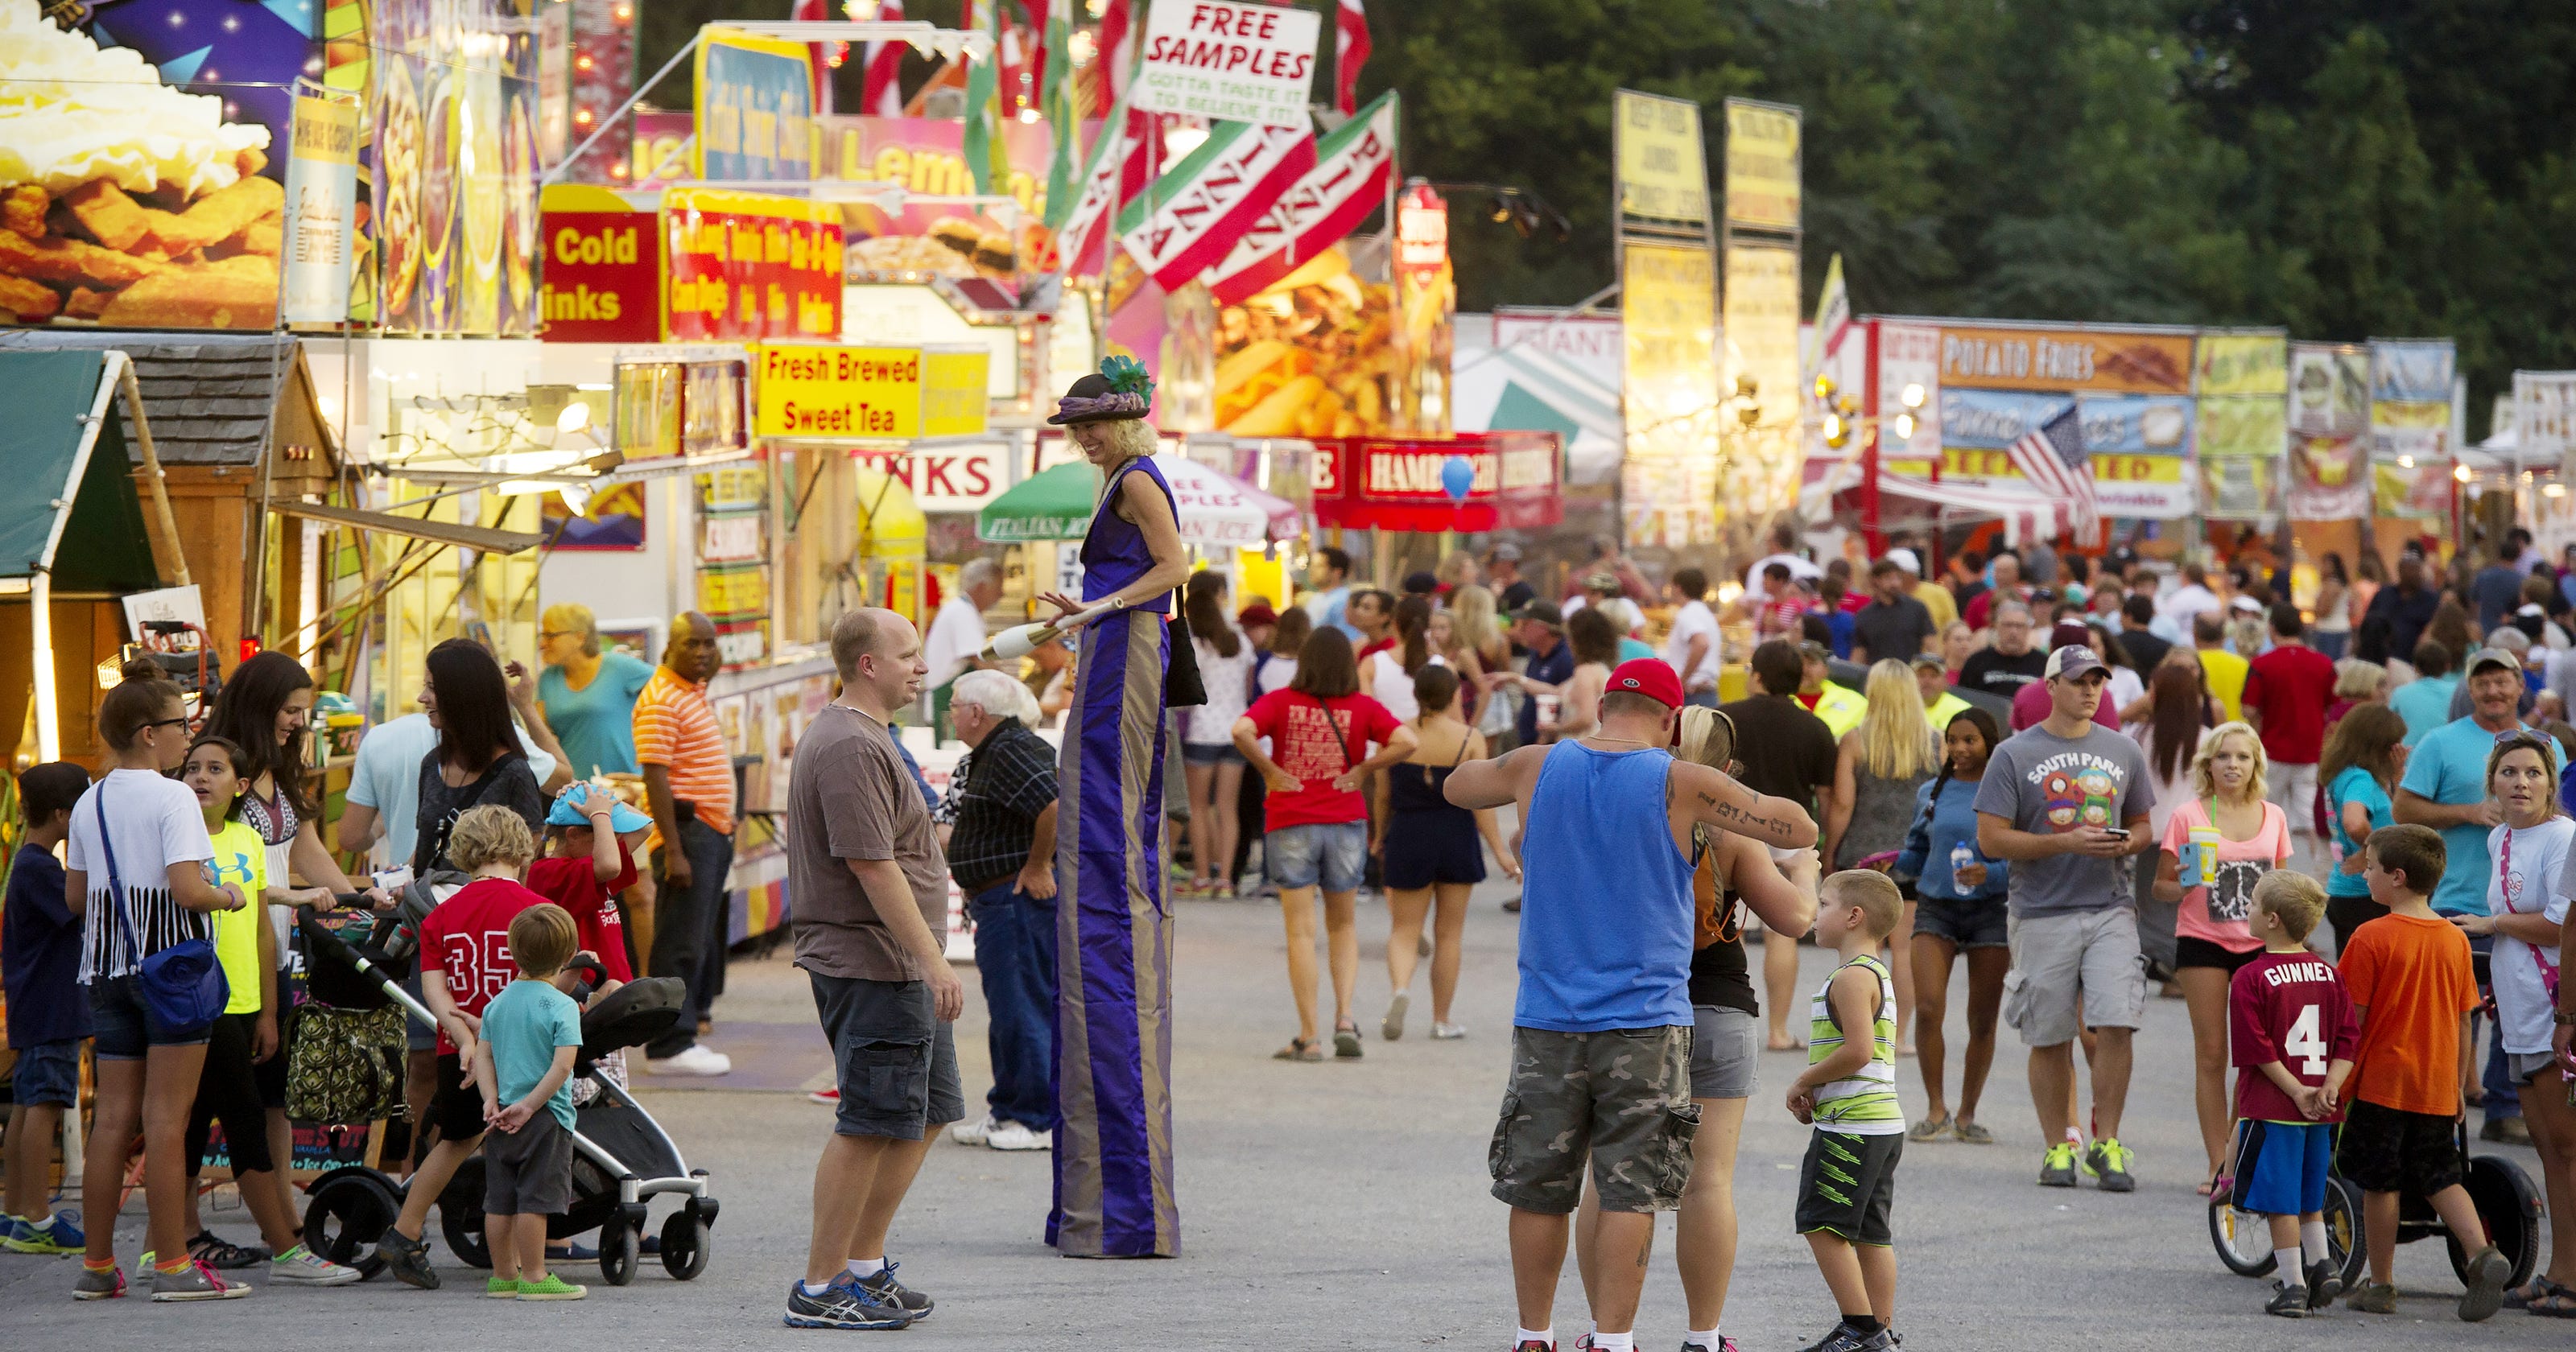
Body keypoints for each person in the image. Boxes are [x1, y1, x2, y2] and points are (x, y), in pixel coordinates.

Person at [1446, 658, 1817, 1352]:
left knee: (1539, 1186)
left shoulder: (1538, 765)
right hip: (1646, 1020)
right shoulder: (1680, 781)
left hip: (1548, 1014)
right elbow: (1797, 830)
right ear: (1672, 719)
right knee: (1629, 1191)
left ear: (1603, 706)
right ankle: (1613, 1341)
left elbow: (1458, 785)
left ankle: (1534, 1335)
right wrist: (1723, 784)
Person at [1578, 704, 1816, 1352]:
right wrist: (1808, 873)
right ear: (1728, 767)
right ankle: (1703, 1336)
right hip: (1718, 1004)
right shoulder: (1731, 829)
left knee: (1609, 1175)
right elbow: (1795, 919)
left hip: (1627, 1008)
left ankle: (1605, 1331)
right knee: (1708, 1179)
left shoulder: (1625, 813)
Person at [779, 608, 958, 1327]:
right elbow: (872, 866)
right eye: (908, 654)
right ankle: (820, 1287)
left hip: (898, 965)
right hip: (872, 962)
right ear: (868, 666)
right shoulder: (850, 745)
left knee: (926, 1112)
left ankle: (862, 1264)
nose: (921, 666)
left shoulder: (871, 737)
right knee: (870, 1120)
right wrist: (932, 959)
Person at [67, 677, 250, 1301]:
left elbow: (75, 897)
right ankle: (173, 1264)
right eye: (181, 727)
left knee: (112, 1120)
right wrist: (231, 894)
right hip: (170, 971)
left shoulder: (89, 801)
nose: (186, 737)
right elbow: (188, 889)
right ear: (150, 734)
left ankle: (97, 1267)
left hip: (108, 971)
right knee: (168, 1120)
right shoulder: (174, 799)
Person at [170, 737, 362, 1283]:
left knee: (213, 1119)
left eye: (215, 769)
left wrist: (268, 1012)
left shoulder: (248, 839)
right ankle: (283, 1248)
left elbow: (259, 931)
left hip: (244, 1001)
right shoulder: (175, 839)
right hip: (192, 997)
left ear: (240, 783)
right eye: (192, 768)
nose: (201, 778)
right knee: (236, 1119)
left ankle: (174, 1244)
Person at [1974, 643, 2157, 1192]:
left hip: (2110, 906)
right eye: (2078, 680)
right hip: (2040, 910)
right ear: (2049, 686)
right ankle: (2059, 1146)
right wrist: (2064, 843)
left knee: (2117, 1022)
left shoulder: (2123, 749)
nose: (2089, 690)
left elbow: (2146, 824)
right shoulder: (2013, 753)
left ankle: (2109, 1141)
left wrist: (2126, 845)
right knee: (2048, 1033)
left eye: (2097, 680)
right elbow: (1990, 839)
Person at [2336, 824, 2516, 1320]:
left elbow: (2355, 1019)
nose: (2366, 874)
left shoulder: (2369, 937)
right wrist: (2459, 1085)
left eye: (2370, 867)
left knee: (2382, 1182)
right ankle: (2481, 1252)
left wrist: (2335, 1077)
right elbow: (2464, 1020)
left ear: (2395, 876)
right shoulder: (2454, 940)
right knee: (2442, 1177)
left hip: (2383, 1084)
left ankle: (2382, 1283)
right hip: (2438, 1085)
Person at [371, 804, 553, 1289]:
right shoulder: (537, 910)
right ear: (524, 848)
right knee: (514, 1145)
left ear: (463, 852)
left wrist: (468, 1038)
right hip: (522, 1048)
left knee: (459, 1139)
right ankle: (513, 1263)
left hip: (458, 1048)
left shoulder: (442, 914)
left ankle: (410, 1231)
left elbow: (434, 991)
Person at [2396, 645, 2567, 1142]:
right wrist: (2469, 812)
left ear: (2520, 686)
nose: (2493, 691)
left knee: (2517, 1000)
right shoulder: (2440, 742)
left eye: (2503, 681)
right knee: (2454, 1012)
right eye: (2483, 682)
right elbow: (2404, 806)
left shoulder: (2547, 747)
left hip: (2521, 911)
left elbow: (2557, 814)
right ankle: (2442, 1108)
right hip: (2456, 896)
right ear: (2469, 689)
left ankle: (2503, 1107)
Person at [1234, 628, 1418, 1060]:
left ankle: (1309, 1035)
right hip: (1345, 821)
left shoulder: (1280, 702)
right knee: (1344, 926)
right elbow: (1407, 741)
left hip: (1291, 819)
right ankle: (1346, 1017)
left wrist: (1270, 771)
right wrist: (1365, 769)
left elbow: (1242, 730)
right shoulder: (1363, 707)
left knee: (1301, 931)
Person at [2454, 732, 2576, 1313]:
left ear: (2552, 782)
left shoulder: (2564, 836)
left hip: (2558, 1014)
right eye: (2510, 773)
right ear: (2493, 783)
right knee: (2550, 1151)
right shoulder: (2500, 835)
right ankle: (2559, 1271)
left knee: (2569, 1147)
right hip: (2520, 1016)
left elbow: (2561, 926)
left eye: (2533, 772)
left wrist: (2493, 923)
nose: (2521, 783)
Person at [2150, 722, 2293, 1187]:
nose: (2233, 765)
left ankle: (2238, 1156)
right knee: (2212, 1054)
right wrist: (2186, 883)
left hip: (2259, 946)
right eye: (2224, 756)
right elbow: (2160, 887)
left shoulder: (2273, 816)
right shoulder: (2188, 815)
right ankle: (2218, 1166)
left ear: (2256, 765)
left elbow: (2284, 888)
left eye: (2242, 757)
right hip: (2202, 941)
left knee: (2255, 1058)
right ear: (2208, 764)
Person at [2224, 872, 2359, 1318]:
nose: (2247, 907)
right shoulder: (2329, 974)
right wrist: (2329, 1087)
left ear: (2274, 919)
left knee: (2278, 1200)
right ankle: (2322, 1264)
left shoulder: (2249, 977)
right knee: (2308, 1195)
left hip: (2275, 1106)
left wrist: (2298, 1090)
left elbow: (2256, 1048)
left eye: (2254, 902)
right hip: (2321, 1108)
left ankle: (2293, 1286)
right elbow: (2347, 1040)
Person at [938, 669, 1059, 1152]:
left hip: (1014, 900)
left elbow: (1053, 804)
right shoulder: (998, 750)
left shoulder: (1009, 748)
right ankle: (1010, 1109)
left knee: (1021, 1008)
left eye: (954, 706)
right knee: (1010, 1011)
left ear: (976, 712)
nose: (951, 714)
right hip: (998, 899)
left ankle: (1034, 1118)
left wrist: (1037, 866)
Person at [1787, 871, 1909, 1352]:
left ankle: (1861, 1328)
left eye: (1823, 905)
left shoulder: (1852, 978)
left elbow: (1858, 1049)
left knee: (1821, 1223)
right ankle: (1880, 1330)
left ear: (1854, 916)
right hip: (1881, 1124)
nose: (1816, 916)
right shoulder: (1876, 973)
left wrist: (1804, 1079)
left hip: (1853, 1127)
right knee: (1871, 1232)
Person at [1376, 665, 1515, 1042]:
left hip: (1408, 833)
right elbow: (1481, 804)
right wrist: (1500, 851)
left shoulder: (1396, 735)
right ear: (1455, 695)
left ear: (1417, 695)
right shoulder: (1470, 738)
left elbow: (1383, 795)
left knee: (1404, 929)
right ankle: (1441, 1019)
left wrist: (1378, 837)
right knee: (1449, 935)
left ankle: (1400, 989)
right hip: (1455, 836)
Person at [1893, 708, 2009, 1144]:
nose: (1959, 749)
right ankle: (1935, 1108)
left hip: (1991, 911)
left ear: (1989, 743)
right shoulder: (1932, 791)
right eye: (1953, 741)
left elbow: (2023, 860)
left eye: (1970, 740)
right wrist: (1892, 864)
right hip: (1935, 907)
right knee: (1928, 1007)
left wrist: (1991, 875)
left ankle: (1967, 1113)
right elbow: (1917, 850)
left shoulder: (2005, 791)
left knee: (1982, 1020)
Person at [465, 901, 590, 1301]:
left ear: (512, 951)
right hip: (543, 1117)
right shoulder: (563, 1006)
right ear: (569, 957)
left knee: (499, 1200)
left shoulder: (497, 1003)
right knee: (535, 1200)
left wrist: (490, 1098)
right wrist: (532, 1106)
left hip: (500, 1115)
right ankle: (534, 1276)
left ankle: (503, 1274)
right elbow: (562, 1066)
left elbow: (483, 1055)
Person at [1722, 641, 1840, 1051]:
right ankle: (1777, 1030)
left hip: (1730, 830)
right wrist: (1825, 844)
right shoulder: (1815, 727)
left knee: (1723, 929)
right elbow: (1827, 797)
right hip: (1789, 841)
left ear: (1757, 675)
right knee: (1782, 933)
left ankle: (1725, 1023)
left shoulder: (1728, 719)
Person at [634, 612, 737, 1076]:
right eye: (692, 644)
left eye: (710, 644)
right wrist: (674, 851)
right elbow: (654, 776)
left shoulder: (689, 692)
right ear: (667, 649)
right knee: (679, 942)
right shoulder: (661, 699)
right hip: (687, 836)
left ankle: (683, 1031)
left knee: (696, 941)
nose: (702, 652)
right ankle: (669, 1045)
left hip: (709, 832)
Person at [1825, 661, 1939, 1051]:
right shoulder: (1936, 743)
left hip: (1863, 859)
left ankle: (1855, 1031)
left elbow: (1842, 805)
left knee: (1859, 949)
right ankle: (1902, 1035)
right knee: (1904, 950)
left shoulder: (1855, 741)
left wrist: (1830, 852)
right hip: (1913, 859)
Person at [2, 761, 90, 1256]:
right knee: (46, 1106)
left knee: (27, 1105)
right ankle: (36, 1216)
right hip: (53, 1005)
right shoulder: (42, 869)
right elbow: (80, 907)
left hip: (33, 1004)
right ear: (62, 813)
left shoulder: (25, 863)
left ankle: (15, 1209)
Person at [412, 638, 550, 876]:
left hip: (485, 911)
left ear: (463, 695)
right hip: (428, 911)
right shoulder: (431, 765)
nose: (422, 698)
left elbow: (528, 866)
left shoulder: (513, 773)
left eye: (432, 688)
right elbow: (426, 849)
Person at [2244, 603, 2337, 868]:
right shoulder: (2324, 664)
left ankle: (2264, 867)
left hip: (2272, 750)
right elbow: (2333, 705)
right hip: (2311, 751)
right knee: (2310, 818)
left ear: (2272, 629)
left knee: (2264, 814)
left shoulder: (2262, 664)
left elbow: (2249, 708)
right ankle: (2316, 872)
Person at [527, 783, 646, 985]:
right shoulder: (548, 872)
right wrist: (600, 812)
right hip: (585, 992)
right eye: (606, 833)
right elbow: (610, 865)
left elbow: (644, 826)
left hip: (613, 988)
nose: (615, 839)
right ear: (572, 835)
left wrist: (590, 792)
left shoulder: (589, 864)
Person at [1181, 571, 1253, 898]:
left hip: (1201, 730)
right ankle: (1225, 879)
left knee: (1198, 808)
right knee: (1228, 808)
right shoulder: (1239, 640)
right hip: (1236, 730)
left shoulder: (1192, 642)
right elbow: (1248, 687)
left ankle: (1201, 877)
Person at [2320, 705, 2408, 950]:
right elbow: (2354, 822)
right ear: (2377, 745)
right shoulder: (2361, 779)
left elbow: (2399, 816)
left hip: (2347, 891)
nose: (2399, 750)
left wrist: (2397, 774)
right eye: (2394, 744)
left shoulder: (2345, 774)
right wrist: (2374, 851)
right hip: (2364, 897)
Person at [535, 602, 655, 778]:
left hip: (622, 787)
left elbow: (668, 689)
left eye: (550, 635)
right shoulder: (548, 679)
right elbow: (541, 737)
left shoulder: (620, 668)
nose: (542, 644)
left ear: (580, 637)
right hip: (573, 790)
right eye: (542, 636)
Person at [1544, 607, 1619, 743]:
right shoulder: (1601, 668)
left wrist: (1556, 728)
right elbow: (1555, 691)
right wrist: (1517, 679)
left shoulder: (1584, 672)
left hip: (1580, 743)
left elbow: (1586, 718)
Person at [1364, 592, 1440, 723]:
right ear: (1429, 625)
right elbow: (1454, 719)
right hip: (1430, 742)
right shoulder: (1443, 667)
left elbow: (1365, 715)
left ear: (1394, 624)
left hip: (1385, 741)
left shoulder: (1371, 664)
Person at [1852, 558, 1938, 668]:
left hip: (1910, 676)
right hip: (1880, 679)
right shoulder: (1864, 616)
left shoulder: (1917, 609)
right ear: (1876, 581)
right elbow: (1858, 656)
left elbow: (1932, 645)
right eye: (1888, 578)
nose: (1895, 583)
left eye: (1897, 578)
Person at [1956, 602, 2046, 700]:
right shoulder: (1976, 662)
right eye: (2008, 625)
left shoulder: (2043, 664)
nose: (2013, 632)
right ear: (1997, 627)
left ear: (2029, 629)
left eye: (2019, 626)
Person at [2365, 556, 2441, 666]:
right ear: (2401, 571)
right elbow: (2369, 621)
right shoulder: (2384, 594)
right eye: (2412, 570)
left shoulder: (2431, 599)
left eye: (2418, 570)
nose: (2416, 574)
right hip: (2380, 658)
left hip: (2414, 662)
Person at [1664, 567, 1723, 707]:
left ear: (1678, 588)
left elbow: (1701, 643)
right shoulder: (1706, 614)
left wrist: (1682, 681)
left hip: (1693, 693)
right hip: (1705, 691)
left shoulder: (1688, 614)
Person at [2392, 641, 2460, 744]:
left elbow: (2387, 723)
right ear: (2447, 666)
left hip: (2409, 754)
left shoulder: (2400, 693)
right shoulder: (2458, 692)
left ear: (2415, 668)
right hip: (2447, 751)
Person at [2191, 613, 2249, 723]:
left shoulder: (2190, 665)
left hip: (2203, 731)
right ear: (2223, 636)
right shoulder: (2242, 664)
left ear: (2194, 635)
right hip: (2238, 731)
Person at [1744, 520, 1823, 596]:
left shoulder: (1760, 568)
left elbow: (1752, 600)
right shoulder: (1812, 569)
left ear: (1774, 543)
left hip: (1772, 608)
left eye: (1767, 542)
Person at [1962, 550, 2029, 633]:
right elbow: (1967, 631)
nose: (2000, 576)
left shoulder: (2027, 600)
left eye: (2005, 571)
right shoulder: (1977, 602)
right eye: (1997, 571)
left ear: (2016, 574)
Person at [1306, 546, 1359, 639]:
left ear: (1337, 572)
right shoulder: (1315, 598)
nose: (1312, 570)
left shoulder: (1344, 601)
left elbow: (1346, 637)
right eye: (1311, 565)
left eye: (1319, 566)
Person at [1911, 653, 1971, 734]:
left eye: (1934, 676)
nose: (1927, 681)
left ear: (1946, 681)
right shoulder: (1898, 708)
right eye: (1921, 675)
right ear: (1910, 679)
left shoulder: (1963, 711)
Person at [2475, 542, 2526, 633]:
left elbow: (2474, 603)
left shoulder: (2483, 576)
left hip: (2485, 629)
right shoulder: (2521, 581)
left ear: (2499, 554)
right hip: (2510, 632)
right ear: (2518, 556)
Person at [2116, 593, 2172, 675]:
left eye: (2121, 616)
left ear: (2129, 617)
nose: (2119, 621)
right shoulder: (2166, 647)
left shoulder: (2115, 644)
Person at [2312, 554, 2354, 660]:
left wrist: (2316, 610)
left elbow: (2324, 610)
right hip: (2339, 626)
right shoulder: (2344, 584)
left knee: (2329, 664)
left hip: (2330, 630)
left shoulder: (2332, 585)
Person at [1488, 542, 1536, 613]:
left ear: (1508, 564)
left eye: (1493, 564)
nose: (1490, 568)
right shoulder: (1497, 589)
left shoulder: (1524, 592)